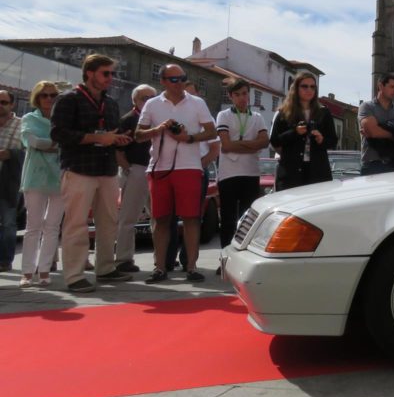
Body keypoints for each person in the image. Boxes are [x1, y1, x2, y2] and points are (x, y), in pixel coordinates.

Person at [49, 54, 134, 292]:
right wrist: (98, 138)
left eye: (111, 73)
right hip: (79, 169)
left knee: (108, 222)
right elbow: (58, 134)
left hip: (107, 169)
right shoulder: (68, 99)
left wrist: (118, 139)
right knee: (76, 224)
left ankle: (106, 268)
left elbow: (109, 134)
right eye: (105, 73)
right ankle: (74, 275)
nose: (110, 78)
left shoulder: (112, 103)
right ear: (89, 73)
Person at [135, 64, 217, 284]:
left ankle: (191, 266)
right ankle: (160, 267)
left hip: (189, 167)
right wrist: (158, 129)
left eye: (182, 78)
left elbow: (212, 131)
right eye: (173, 79)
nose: (179, 83)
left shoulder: (197, 102)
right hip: (159, 168)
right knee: (161, 219)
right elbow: (138, 135)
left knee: (191, 218)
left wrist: (189, 138)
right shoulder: (152, 104)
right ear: (162, 81)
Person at [216, 78, 269, 248]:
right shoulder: (223, 115)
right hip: (228, 174)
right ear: (230, 96)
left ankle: (243, 256)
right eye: (237, 94)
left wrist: (235, 146)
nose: (242, 98)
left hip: (250, 172)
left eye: (245, 94)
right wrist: (251, 146)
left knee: (247, 220)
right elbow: (225, 145)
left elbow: (264, 142)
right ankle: (225, 258)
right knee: (228, 219)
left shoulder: (258, 117)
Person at [19, 83, 62, 287]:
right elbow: (31, 142)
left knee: (53, 226)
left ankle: (44, 270)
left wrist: (47, 144)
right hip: (35, 176)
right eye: (44, 95)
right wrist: (54, 144)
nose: (48, 98)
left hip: (60, 176)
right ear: (37, 97)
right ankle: (27, 271)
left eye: (53, 95)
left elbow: (68, 143)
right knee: (33, 226)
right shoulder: (29, 118)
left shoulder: (63, 120)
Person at [112, 84, 156, 273]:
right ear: (135, 100)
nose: (147, 102)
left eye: (151, 98)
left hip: (157, 170)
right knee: (129, 218)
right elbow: (118, 150)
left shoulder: (158, 118)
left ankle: (162, 257)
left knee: (159, 217)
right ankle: (123, 259)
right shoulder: (128, 120)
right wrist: (128, 169)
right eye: (143, 98)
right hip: (137, 169)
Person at [272, 71, 338, 186]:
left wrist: (321, 139)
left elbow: (333, 140)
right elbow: (274, 141)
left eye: (312, 87)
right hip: (291, 172)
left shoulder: (324, 112)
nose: (309, 90)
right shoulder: (284, 113)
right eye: (304, 86)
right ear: (296, 89)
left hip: (317, 172)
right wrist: (294, 132)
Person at [0, 89, 23, 274]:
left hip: (9, 181)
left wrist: (9, 154)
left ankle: (5, 260)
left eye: (4, 102)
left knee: (8, 223)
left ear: (12, 104)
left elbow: (29, 153)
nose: (1, 105)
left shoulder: (22, 124)